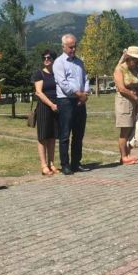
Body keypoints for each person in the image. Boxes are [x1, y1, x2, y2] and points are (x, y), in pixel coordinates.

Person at [53, 33, 90, 175]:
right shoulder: (59, 63)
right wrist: (78, 93)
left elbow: (86, 79)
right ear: (63, 47)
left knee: (79, 134)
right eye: (70, 47)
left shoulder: (80, 62)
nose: (73, 49)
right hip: (66, 101)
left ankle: (76, 163)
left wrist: (85, 93)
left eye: (75, 46)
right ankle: (65, 164)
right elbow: (63, 84)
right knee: (65, 135)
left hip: (80, 101)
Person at [113, 46, 138, 164]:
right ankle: (124, 156)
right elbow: (121, 88)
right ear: (129, 58)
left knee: (133, 129)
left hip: (134, 102)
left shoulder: (134, 70)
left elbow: (137, 87)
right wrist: (135, 98)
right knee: (125, 130)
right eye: (136, 60)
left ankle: (128, 154)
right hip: (124, 102)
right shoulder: (119, 69)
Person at [33, 49, 59, 175]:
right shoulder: (39, 74)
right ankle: (44, 165)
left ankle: (52, 163)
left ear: (54, 58)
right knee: (43, 137)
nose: (46, 60)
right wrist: (51, 104)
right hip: (44, 107)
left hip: (56, 106)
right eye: (44, 57)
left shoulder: (56, 73)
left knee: (53, 136)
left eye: (48, 57)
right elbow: (38, 92)